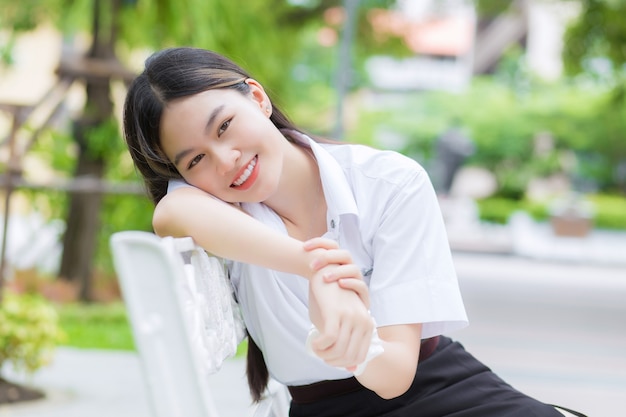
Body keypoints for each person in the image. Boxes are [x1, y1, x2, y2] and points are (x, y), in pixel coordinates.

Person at [122, 47, 567, 417]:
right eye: (194, 160)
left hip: (442, 391)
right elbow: (170, 212)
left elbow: (393, 377)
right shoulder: (214, 208)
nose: (225, 160)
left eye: (224, 126)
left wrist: (351, 341)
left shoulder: (390, 182)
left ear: (257, 98)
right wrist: (316, 268)